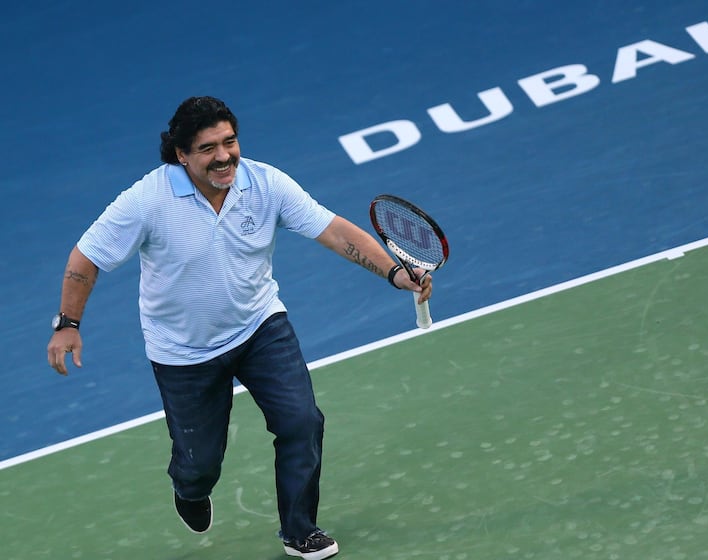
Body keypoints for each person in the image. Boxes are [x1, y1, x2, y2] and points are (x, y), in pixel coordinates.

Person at [46, 96, 432, 560]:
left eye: (229, 141)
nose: (224, 155)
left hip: (259, 326)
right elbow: (85, 257)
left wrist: (393, 272)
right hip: (183, 351)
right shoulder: (148, 200)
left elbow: (334, 231)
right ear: (181, 155)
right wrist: (68, 324)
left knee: (302, 422)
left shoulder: (266, 184)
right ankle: (188, 489)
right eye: (208, 148)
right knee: (199, 465)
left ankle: (299, 529)